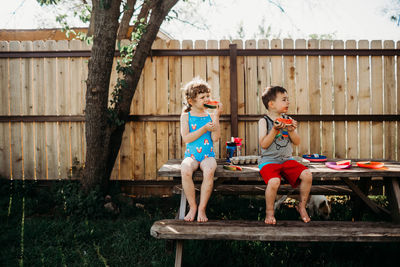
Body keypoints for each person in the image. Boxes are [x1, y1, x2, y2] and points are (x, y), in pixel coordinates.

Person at [258, 86, 312, 224]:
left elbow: (297, 142)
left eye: (288, 99)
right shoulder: (264, 121)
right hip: (269, 161)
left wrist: (292, 131)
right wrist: (275, 130)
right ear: (271, 104)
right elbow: (263, 144)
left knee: (307, 175)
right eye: (284, 99)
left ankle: (302, 206)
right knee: (274, 182)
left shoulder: (288, 119)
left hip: (287, 160)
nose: (288, 102)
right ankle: (269, 212)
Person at [180, 77, 223, 222]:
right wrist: (204, 128)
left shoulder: (209, 115)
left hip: (207, 155)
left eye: (207, 96)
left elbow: (216, 138)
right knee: (185, 169)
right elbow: (186, 138)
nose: (206, 99)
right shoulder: (186, 116)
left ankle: (202, 208)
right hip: (191, 155)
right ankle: (192, 206)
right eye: (202, 97)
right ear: (191, 101)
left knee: (210, 170)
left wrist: (216, 117)